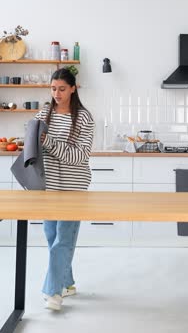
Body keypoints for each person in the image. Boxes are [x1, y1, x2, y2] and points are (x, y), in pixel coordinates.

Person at [35, 67, 94, 311]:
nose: (56, 93)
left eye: (61, 89)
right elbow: (34, 143)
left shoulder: (83, 117)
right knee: (52, 239)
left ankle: (53, 293)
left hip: (73, 188)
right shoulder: (44, 113)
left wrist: (47, 142)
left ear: (73, 88)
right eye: (53, 88)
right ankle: (67, 283)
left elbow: (79, 156)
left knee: (62, 241)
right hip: (49, 187)